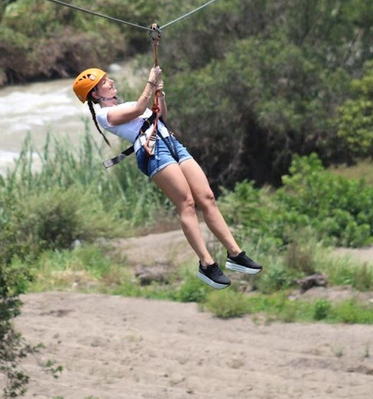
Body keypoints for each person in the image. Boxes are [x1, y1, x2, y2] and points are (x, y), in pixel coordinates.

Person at [72, 66, 262, 289]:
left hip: (170, 143)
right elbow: (138, 111)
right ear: (95, 94)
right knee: (187, 203)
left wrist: (159, 95)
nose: (111, 81)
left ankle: (235, 254)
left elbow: (159, 115)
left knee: (207, 197)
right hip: (152, 151)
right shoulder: (106, 115)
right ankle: (207, 264)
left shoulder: (126, 104)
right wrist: (151, 83)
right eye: (105, 81)